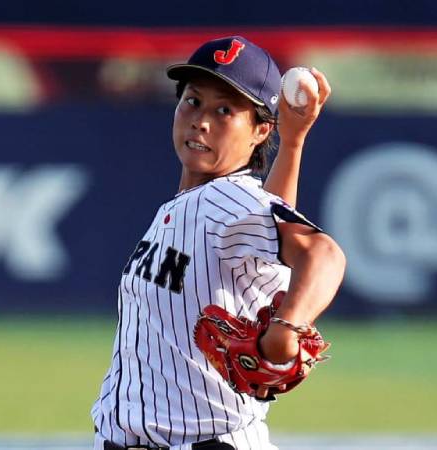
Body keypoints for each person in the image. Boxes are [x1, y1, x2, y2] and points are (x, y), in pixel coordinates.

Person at [91, 35, 346, 450]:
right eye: (192, 101)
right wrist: (293, 142)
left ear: (262, 130)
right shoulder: (203, 205)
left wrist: (287, 325)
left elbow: (324, 254)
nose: (201, 120)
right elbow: (266, 223)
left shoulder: (224, 199)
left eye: (224, 110)